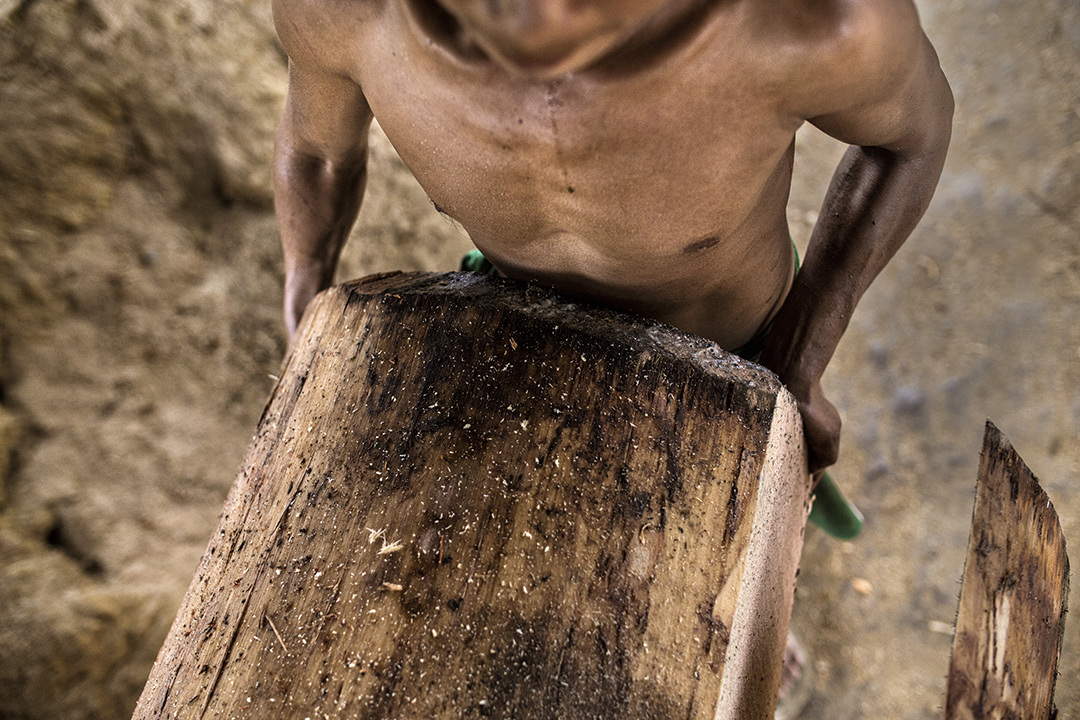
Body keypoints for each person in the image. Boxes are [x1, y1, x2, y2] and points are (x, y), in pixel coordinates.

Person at [271, 0, 952, 710]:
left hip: (730, 350)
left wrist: (798, 358)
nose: (538, 17)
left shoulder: (812, 20)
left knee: (722, 568)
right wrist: (305, 297)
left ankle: (745, 608)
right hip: (512, 326)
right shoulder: (343, 12)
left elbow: (911, 137)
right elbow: (317, 150)